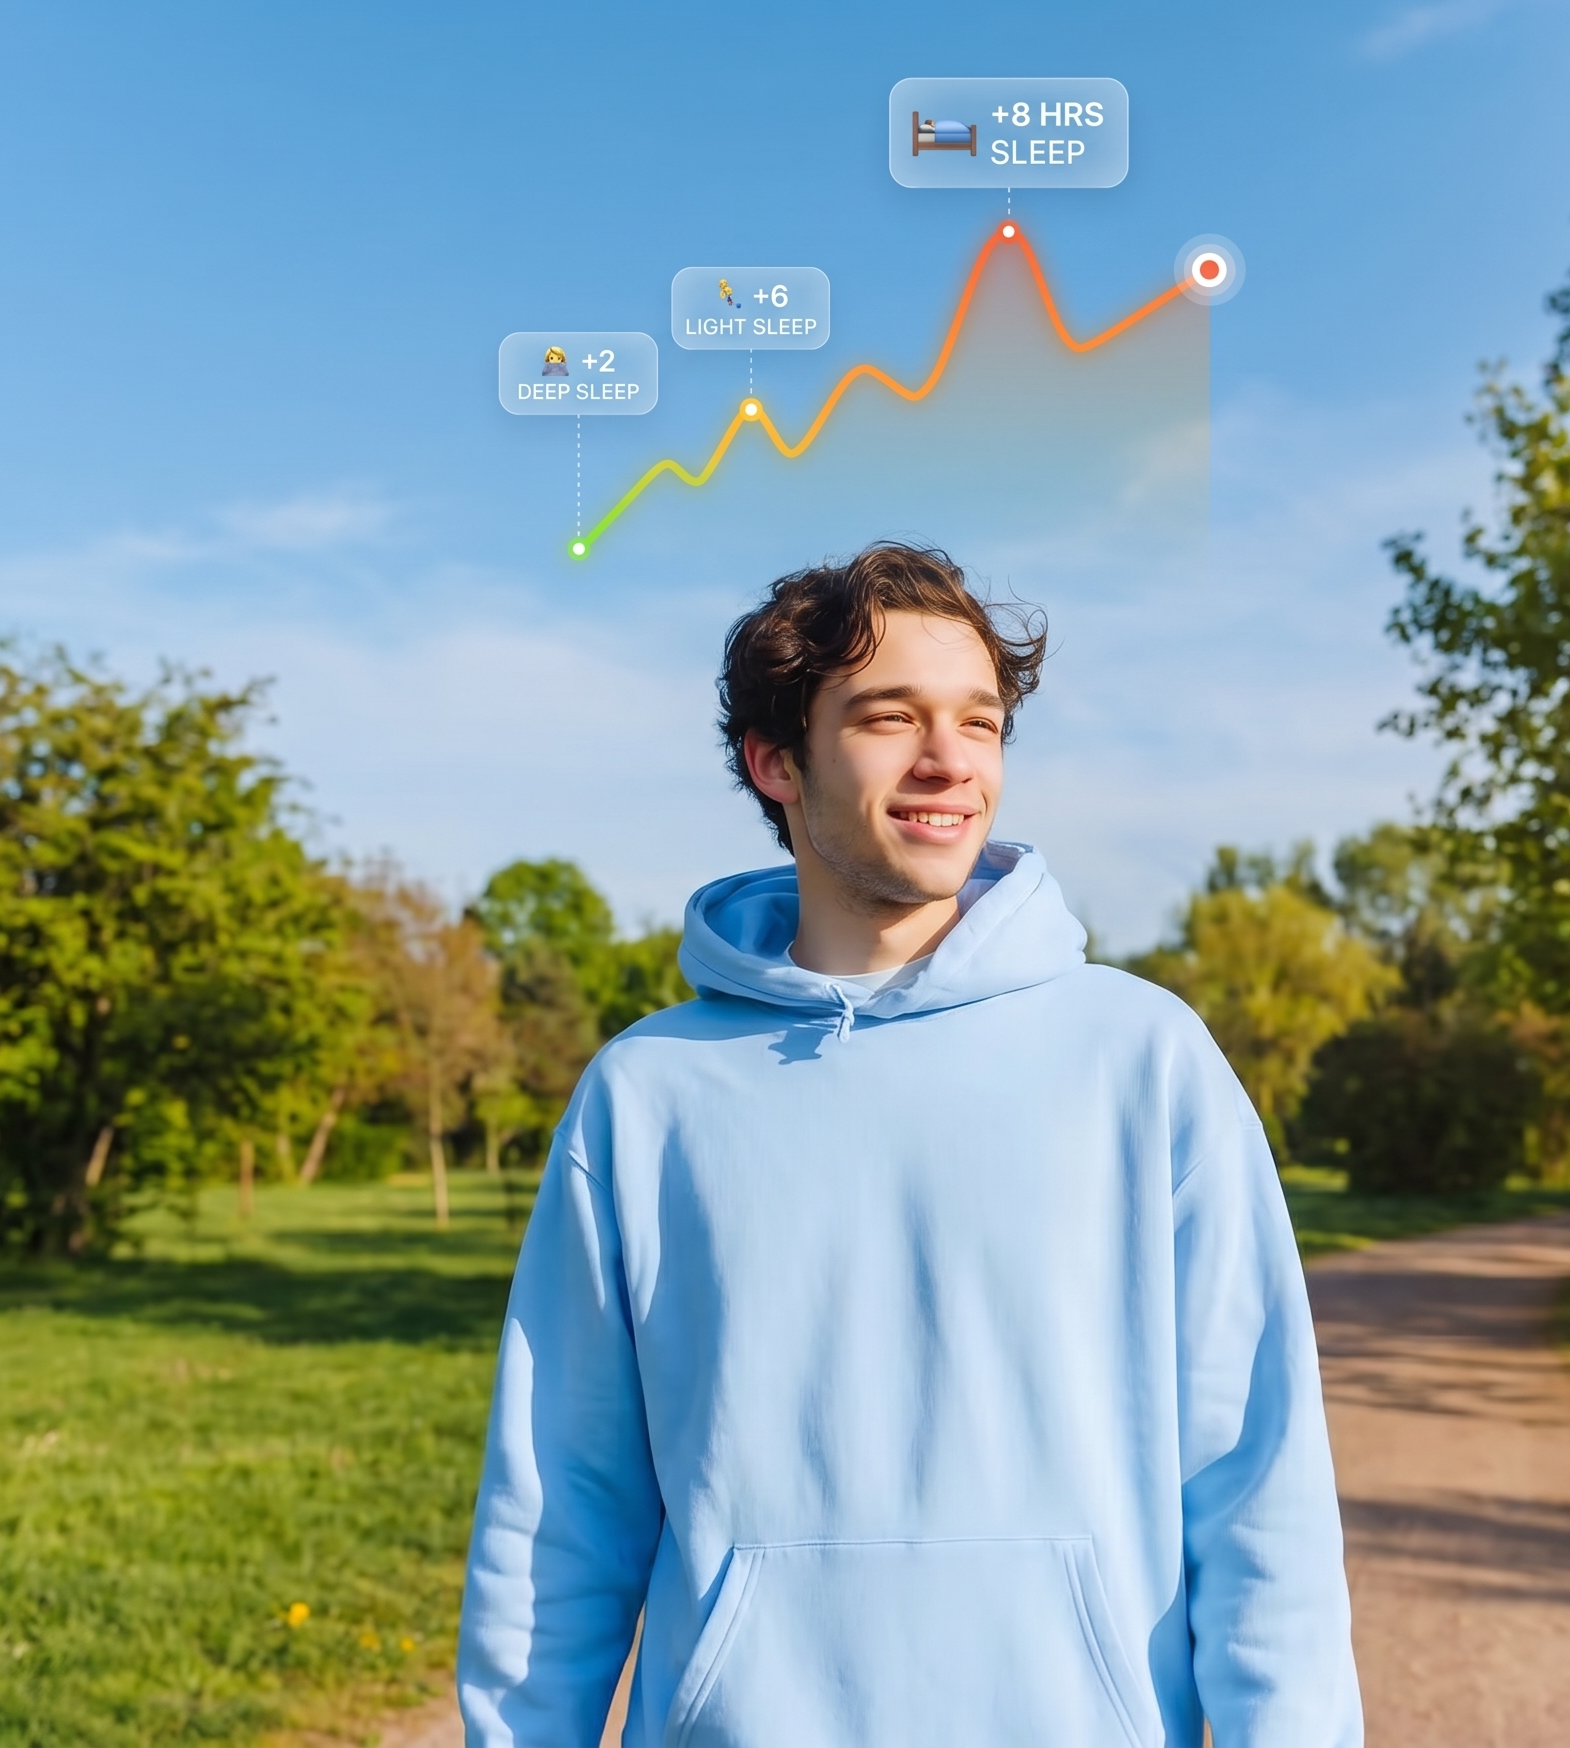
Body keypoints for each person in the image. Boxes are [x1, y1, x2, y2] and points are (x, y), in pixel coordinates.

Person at [456, 542, 1360, 1747]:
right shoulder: (647, 1095)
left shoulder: (1143, 1060)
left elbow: (1260, 1490)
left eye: (979, 724)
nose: (950, 762)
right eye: (892, 718)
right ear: (776, 761)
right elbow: (558, 1512)